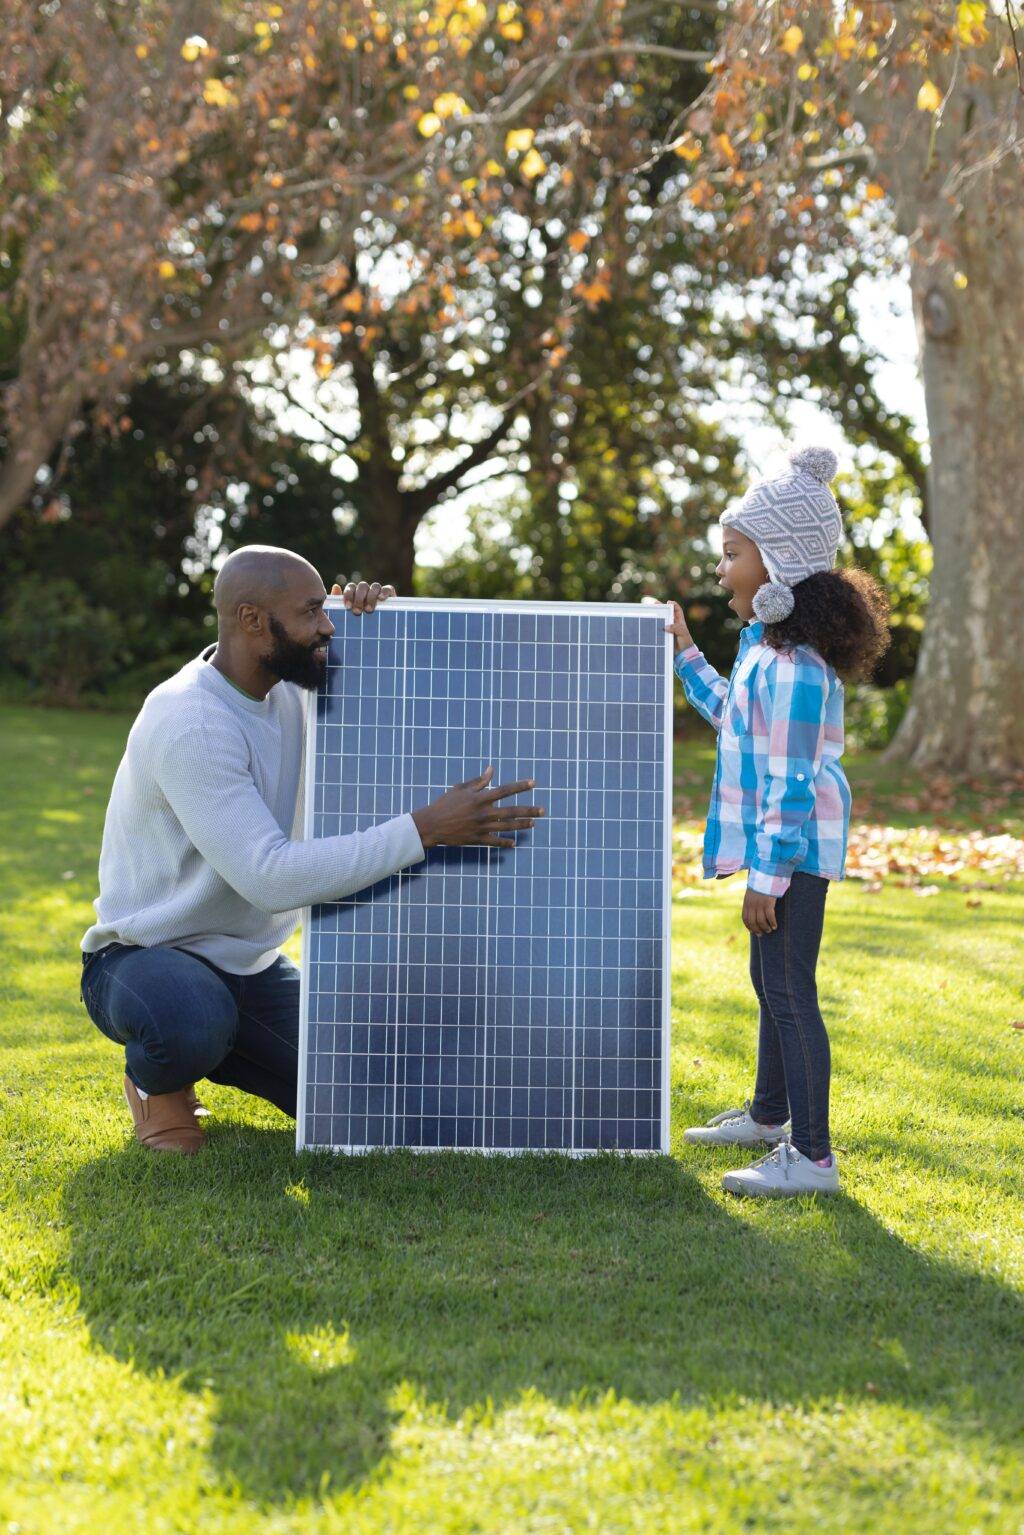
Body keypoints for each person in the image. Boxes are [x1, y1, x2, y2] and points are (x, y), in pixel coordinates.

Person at [79, 547, 545, 1154]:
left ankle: (223, 1034)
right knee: (189, 1020)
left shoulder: (294, 688)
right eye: (310, 612)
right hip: (146, 957)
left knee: (366, 1096)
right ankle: (158, 1082)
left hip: (248, 966)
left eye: (326, 606)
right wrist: (425, 829)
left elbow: (405, 710)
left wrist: (379, 622)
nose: (326, 625)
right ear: (251, 620)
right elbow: (268, 877)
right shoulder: (190, 720)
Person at [664, 446, 890, 1198]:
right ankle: (768, 1116)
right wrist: (687, 653)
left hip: (791, 855)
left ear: (779, 561)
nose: (722, 570)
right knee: (771, 980)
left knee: (790, 989)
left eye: (732, 554)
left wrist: (768, 878)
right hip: (779, 854)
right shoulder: (765, 651)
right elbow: (732, 717)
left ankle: (813, 1156)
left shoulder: (795, 668)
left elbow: (793, 783)